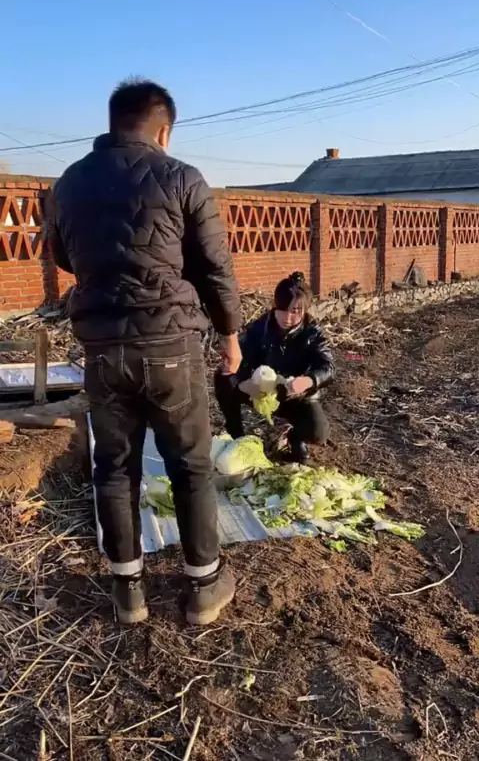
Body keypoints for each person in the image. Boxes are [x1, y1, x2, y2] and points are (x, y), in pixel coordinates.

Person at [50, 79, 242, 626]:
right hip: (170, 345)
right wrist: (229, 334)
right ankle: (203, 586)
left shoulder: (68, 183)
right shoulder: (182, 177)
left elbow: (63, 256)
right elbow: (213, 266)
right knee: (191, 465)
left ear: (113, 122)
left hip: (103, 348)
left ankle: (127, 590)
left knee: (113, 468)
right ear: (163, 131)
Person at [215, 272, 334, 463]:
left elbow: (328, 367)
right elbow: (242, 359)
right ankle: (236, 435)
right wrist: (246, 382)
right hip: (263, 392)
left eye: (295, 311)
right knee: (224, 376)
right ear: (275, 305)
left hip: (295, 395)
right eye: (282, 309)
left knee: (318, 434)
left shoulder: (312, 333)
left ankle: (294, 438)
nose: (287, 317)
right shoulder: (259, 328)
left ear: (304, 311)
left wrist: (308, 381)